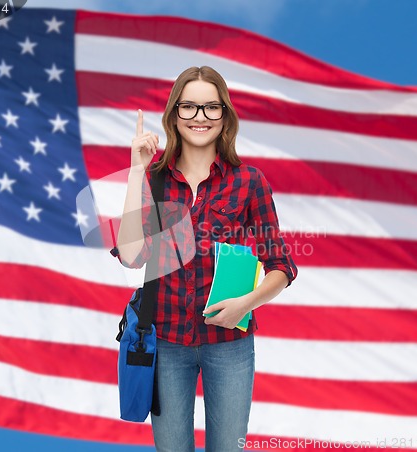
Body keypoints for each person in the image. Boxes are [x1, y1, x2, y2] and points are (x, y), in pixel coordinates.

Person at [111, 66, 297, 452]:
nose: (200, 117)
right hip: (165, 345)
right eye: (190, 107)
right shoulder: (153, 179)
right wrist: (135, 169)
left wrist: (246, 305)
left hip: (229, 345)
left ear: (224, 116)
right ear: (174, 115)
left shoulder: (249, 181)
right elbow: (131, 255)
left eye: (211, 108)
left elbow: (281, 266)